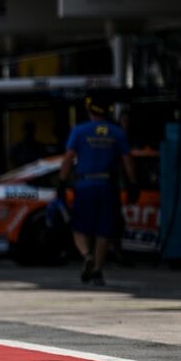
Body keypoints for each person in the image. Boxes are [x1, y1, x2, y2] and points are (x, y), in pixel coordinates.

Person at [57, 97, 138, 286]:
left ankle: (86, 255)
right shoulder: (117, 133)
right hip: (108, 186)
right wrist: (133, 184)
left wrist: (61, 181)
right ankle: (98, 271)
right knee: (104, 231)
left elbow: (68, 158)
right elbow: (128, 161)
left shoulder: (79, 131)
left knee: (78, 228)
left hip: (85, 186)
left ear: (90, 111)